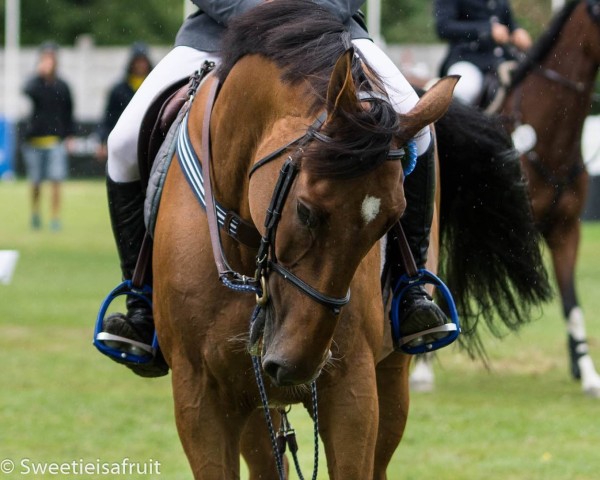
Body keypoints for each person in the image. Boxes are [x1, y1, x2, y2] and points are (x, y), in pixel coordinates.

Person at [99, 0, 452, 377]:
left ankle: (409, 288)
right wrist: (255, 13)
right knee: (122, 143)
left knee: (419, 128)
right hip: (220, 36)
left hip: (327, 36)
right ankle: (141, 302)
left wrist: (304, 15)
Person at [434, 0, 532, 105]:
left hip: (501, 60)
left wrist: (517, 31)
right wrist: (486, 29)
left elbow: (507, 21)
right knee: (465, 90)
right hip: (467, 59)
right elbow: (443, 27)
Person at [21, 42, 74, 231]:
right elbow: (26, 91)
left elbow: (69, 112)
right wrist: (39, 75)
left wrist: (69, 136)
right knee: (35, 182)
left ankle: (55, 217)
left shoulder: (63, 86)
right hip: (34, 140)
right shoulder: (34, 83)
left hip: (55, 141)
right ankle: (35, 212)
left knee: (56, 181)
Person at [96, 43, 153, 162]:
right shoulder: (119, 90)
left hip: (148, 142)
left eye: (143, 61)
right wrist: (102, 141)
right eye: (137, 61)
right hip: (124, 142)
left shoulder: (155, 87)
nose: (140, 65)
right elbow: (108, 117)